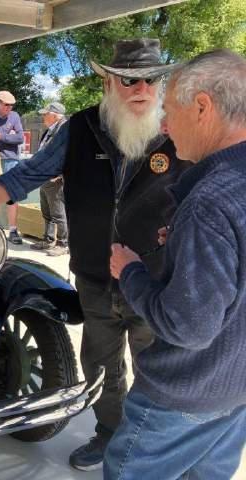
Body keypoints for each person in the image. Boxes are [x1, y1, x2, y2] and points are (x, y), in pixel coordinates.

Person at [0, 39, 190, 471]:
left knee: (155, 370)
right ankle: (109, 435)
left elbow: (208, 189)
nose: (141, 89)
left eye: (151, 79)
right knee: (100, 364)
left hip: (154, 278)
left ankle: (147, 449)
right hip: (94, 276)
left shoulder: (176, 128)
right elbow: (26, 175)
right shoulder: (80, 128)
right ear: (109, 82)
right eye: (129, 80)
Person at [106, 49, 246, 480]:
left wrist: (131, 271)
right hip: (236, 391)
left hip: (184, 394)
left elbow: (189, 327)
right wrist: (190, 247)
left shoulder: (209, 204)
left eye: (169, 110)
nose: (164, 125)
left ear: (202, 107)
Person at [32, 102, 69, 256]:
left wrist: (59, 173)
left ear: (54, 115)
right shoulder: (51, 130)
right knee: (47, 210)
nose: (43, 117)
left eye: (46, 114)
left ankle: (63, 243)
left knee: (58, 213)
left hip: (55, 179)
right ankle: (48, 239)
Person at [0, 90, 24, 244]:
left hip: (11, 160)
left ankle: (13, 230)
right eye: (6, 105)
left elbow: (20, 137)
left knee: (12, 196)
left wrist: (0, 136)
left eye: (11, 105)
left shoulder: (15, 116)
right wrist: (9, 136)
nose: (9, 108)